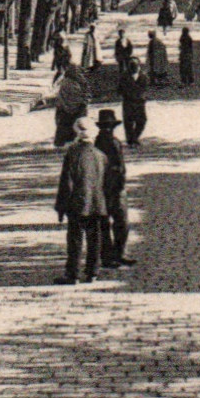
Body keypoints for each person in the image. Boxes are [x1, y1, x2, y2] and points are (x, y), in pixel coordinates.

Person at [54, 117, 108, 284]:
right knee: (95, 239)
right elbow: (107, 182)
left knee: (75, 240)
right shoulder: (101, 156)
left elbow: (66, 182)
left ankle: (73, 274)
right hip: (97, 203)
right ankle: (92, 272)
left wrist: (61, 207)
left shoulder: (72, 154)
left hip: (77, 203)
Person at [95, 110, 135, 268]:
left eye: (110, 126)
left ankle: (119, 253)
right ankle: (107, 256)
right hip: (106, 188)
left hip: (118, 186)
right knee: (105, 223)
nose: (108, 129)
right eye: (105, 127)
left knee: (121, 223)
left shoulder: (115, 141)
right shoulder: (100, 144)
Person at [52, 65, 89, 148]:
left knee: (63, 125)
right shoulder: (78, 82)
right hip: (77, 110)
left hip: (64, 110)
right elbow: (83, 96)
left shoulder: (64, 81)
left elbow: (58, 96)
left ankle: (61, 142)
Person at [119, 58, 148, 146]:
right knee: (128, 122)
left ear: (139, 66)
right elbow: (120, 89)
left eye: (135, 66)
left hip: (140, 102)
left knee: (142, 121)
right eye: (132, 66)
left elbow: (145, 88)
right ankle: (130, 140)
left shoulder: (143, 76)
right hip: (128, 101)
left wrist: (143, 97)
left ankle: (134, 137)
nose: (134, 68)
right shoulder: (124, 76)